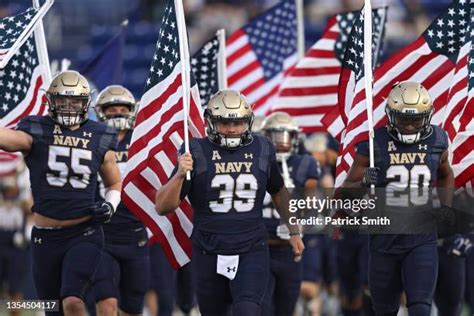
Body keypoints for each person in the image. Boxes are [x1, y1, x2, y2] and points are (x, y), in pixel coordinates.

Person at [154, 90, 304, 316]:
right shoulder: (196, 150)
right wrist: (179, 175)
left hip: (251, 248)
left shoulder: (262, 148)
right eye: (224, 123)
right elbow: (163, 206)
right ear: (211, 122)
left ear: (249, 122)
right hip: (208, 249)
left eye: (238, 122)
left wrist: (294, 230)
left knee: (248, 310)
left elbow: (278, 190)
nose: (232, 129)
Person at [0, 70, 122, 316]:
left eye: (74, 101)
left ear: (85, 102)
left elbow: (114, 183)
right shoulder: (37, 130)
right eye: (62, 100)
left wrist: (110, 205)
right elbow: (8, 139)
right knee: (51, 308)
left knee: (72, 301)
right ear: (50, 101)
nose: (68, 107)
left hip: (83, 232)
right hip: (44, 237)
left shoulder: (100, 135)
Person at [342, 81, 454, 315]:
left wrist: (446, 206)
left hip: (421, 238)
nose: (411, 127)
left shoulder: (437, 140)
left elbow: (445, 173)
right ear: (391, 115)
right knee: (384, 310)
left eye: (417, 119)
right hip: (384, 239)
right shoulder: (375, 145)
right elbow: (341, 198)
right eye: (404, 119)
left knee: (420, 307)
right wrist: (363, 183)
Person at [89, 85, 150, 316]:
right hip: (102, 233)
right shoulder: (92, 138)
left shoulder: (143, 141)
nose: (117, 112)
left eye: (122, 108)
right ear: (101, 111)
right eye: (111, 108)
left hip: (136, 232)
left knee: (132, 308)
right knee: (106, 304)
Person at [259, 112, 320, 316]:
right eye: (276, 137)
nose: (281, 143)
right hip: (261, 248)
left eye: (286, 136)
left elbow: (312, 207)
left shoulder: (305, 164)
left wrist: (299, 220)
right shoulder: (256, 162)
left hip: (290, 249)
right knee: (263, 308)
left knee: (286, 308)